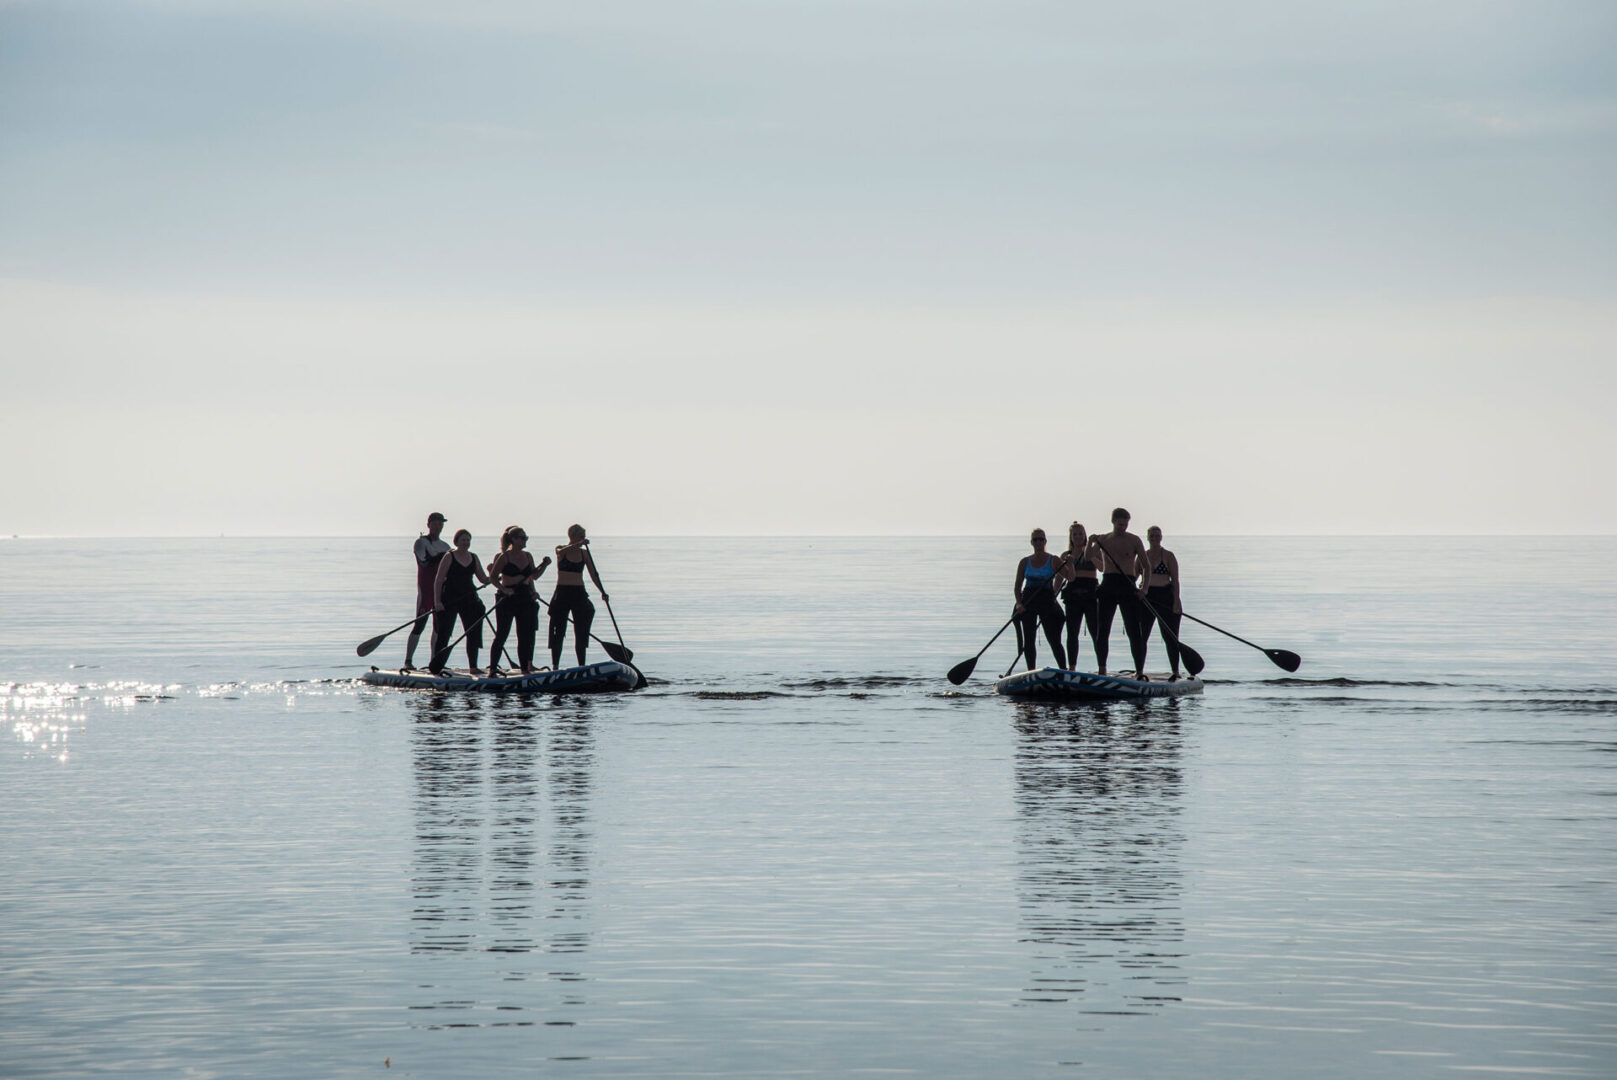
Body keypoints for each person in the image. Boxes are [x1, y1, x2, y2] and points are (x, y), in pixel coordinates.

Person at [1089, 507, 1151, 678]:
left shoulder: (1134, 540)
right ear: (1113, 521)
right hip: (1108, 583)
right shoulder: (1104, 539)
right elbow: (1088, 555)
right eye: (1120, 524)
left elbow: (1146, 566)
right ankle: (1102, 668)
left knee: (1134, 631)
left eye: (1125, 524)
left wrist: (1144, 588)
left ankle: (1139, 670)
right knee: (1103, 630)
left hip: (1127, 584)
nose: (1123, 527)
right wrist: (1091, 541)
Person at [486, 525, 551, 675]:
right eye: (522, 538)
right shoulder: (505, 557)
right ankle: (493, 669)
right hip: (508, 598)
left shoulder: (528, 556)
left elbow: (533, 576)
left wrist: (545, 566)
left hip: (525, 597)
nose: (525, 540)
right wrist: (504, 590)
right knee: (502, 633)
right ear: (513, 540)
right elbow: (493, 577)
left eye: (526, 538)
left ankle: (524, 669)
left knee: (525, 635)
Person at [429, 529, 492, 674]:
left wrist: (494, 574)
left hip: (469, 598)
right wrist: (437, 601)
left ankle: (473, 667)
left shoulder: (474, 557)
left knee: (472, 632)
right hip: (449, 599)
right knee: (444, 633)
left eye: (468, 540)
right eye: (463, 540)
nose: (466, 543)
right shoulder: (449, 556)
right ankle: (437, 666)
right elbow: (438, 580)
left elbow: (483, 579)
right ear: (456, 541)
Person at [550, 524, 608, 670]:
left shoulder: (584, 554)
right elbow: (561, 552)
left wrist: (602, 591)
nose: (584, 538)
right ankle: (555, 665)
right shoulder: (561, 549)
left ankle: (581, 664)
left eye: (584, 535)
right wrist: (578, 544)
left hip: (579, 593)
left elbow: (594, 574)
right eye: (581, 535)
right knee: (559, 630)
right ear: (573, 535)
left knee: (581, 631)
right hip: (562, 593)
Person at [1014, 528, 1068, 671]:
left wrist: (1070, 564)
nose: (1038, 542)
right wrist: (1019, 604)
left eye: (1041, 539)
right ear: (1031, 542)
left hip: (1046, 601)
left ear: (1045, 541)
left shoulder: (1054, 560)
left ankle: (1064, 669)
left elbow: (1070, 577)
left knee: (1053, 639)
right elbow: (1017, 587)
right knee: (1029, 640)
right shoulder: (1024, 562)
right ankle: (1031, 670)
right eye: (1035, 539)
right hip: (1028, 601)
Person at [404, 512, 450, 671]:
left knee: (439, 628)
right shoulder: (421, 543)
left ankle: (434, 661)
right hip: (426, 592)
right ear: (429, 525)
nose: (438, 526)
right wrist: (443, 557)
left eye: (441, 523)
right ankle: (408, 661)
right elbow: (424, 562)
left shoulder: (445, 546)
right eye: (435, 523)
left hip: (440, 592)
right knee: (419, 625)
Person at [1056, 521, 1100, 670]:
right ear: (1071, 537)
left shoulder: (1093, 551)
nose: (1078, 536)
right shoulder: (1066, 555)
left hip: (1091, 593)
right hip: (1073, 594)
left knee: (1096, 631)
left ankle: (1102, 667)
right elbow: (1060, 578)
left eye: (1080, 533)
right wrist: (1053, 595)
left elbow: (1102, 568)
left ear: (1085, 535)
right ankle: (1072, 667)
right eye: (1075, 534)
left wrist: (1090, 554)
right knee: (1072, 633)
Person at [1143, 526, 1185, 679]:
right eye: (1151, 535)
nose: (1154, 537)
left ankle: (1175, 671)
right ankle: (1139, 670)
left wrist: (1176, 602)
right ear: (1147, 537)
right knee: (1142, 636)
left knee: (1171, 637)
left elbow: (1175, 581)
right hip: (1147, 598)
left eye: (1157, 535)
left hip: (1166, 597)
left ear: (1161, 537)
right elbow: (1133, 576)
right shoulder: (1142, 555)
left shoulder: (1168, 556)